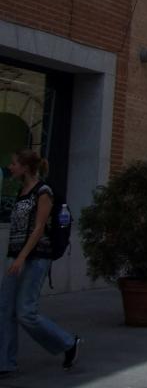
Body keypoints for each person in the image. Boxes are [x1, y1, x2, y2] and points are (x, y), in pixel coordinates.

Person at [0, 150, 81, 376]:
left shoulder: (43, 191)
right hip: (15, 256)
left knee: (26, 312)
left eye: (14, 163)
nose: (11, 167)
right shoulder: (21, 191)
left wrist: (22, 257)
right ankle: (5, 363)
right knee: (5, 309)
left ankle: (68, 342)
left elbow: (38, 228)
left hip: (35, 258)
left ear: (25, 168)